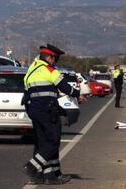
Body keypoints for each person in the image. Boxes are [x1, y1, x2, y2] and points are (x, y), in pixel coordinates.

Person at [22, 44, 86, 185]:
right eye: (55, 59)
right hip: (47, 111)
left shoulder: (31, 70)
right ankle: (32, 167)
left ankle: (48, 175)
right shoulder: (49, 70)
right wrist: (78, 94)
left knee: (41, 142)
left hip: (33, 110)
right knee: (53, 142)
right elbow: (65, 87)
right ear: (50, 58)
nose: (55, 62)